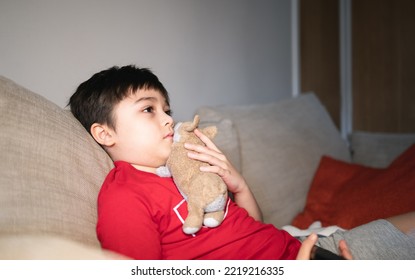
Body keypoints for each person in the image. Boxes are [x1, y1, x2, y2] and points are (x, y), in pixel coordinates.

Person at [68, 65, 415, 260]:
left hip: (301, 245)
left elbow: (254, 227)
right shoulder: (125, 196)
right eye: (149, 109)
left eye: (168, 110)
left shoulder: (188, 164)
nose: (169, 120)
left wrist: (238, 185)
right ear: (104, 133)